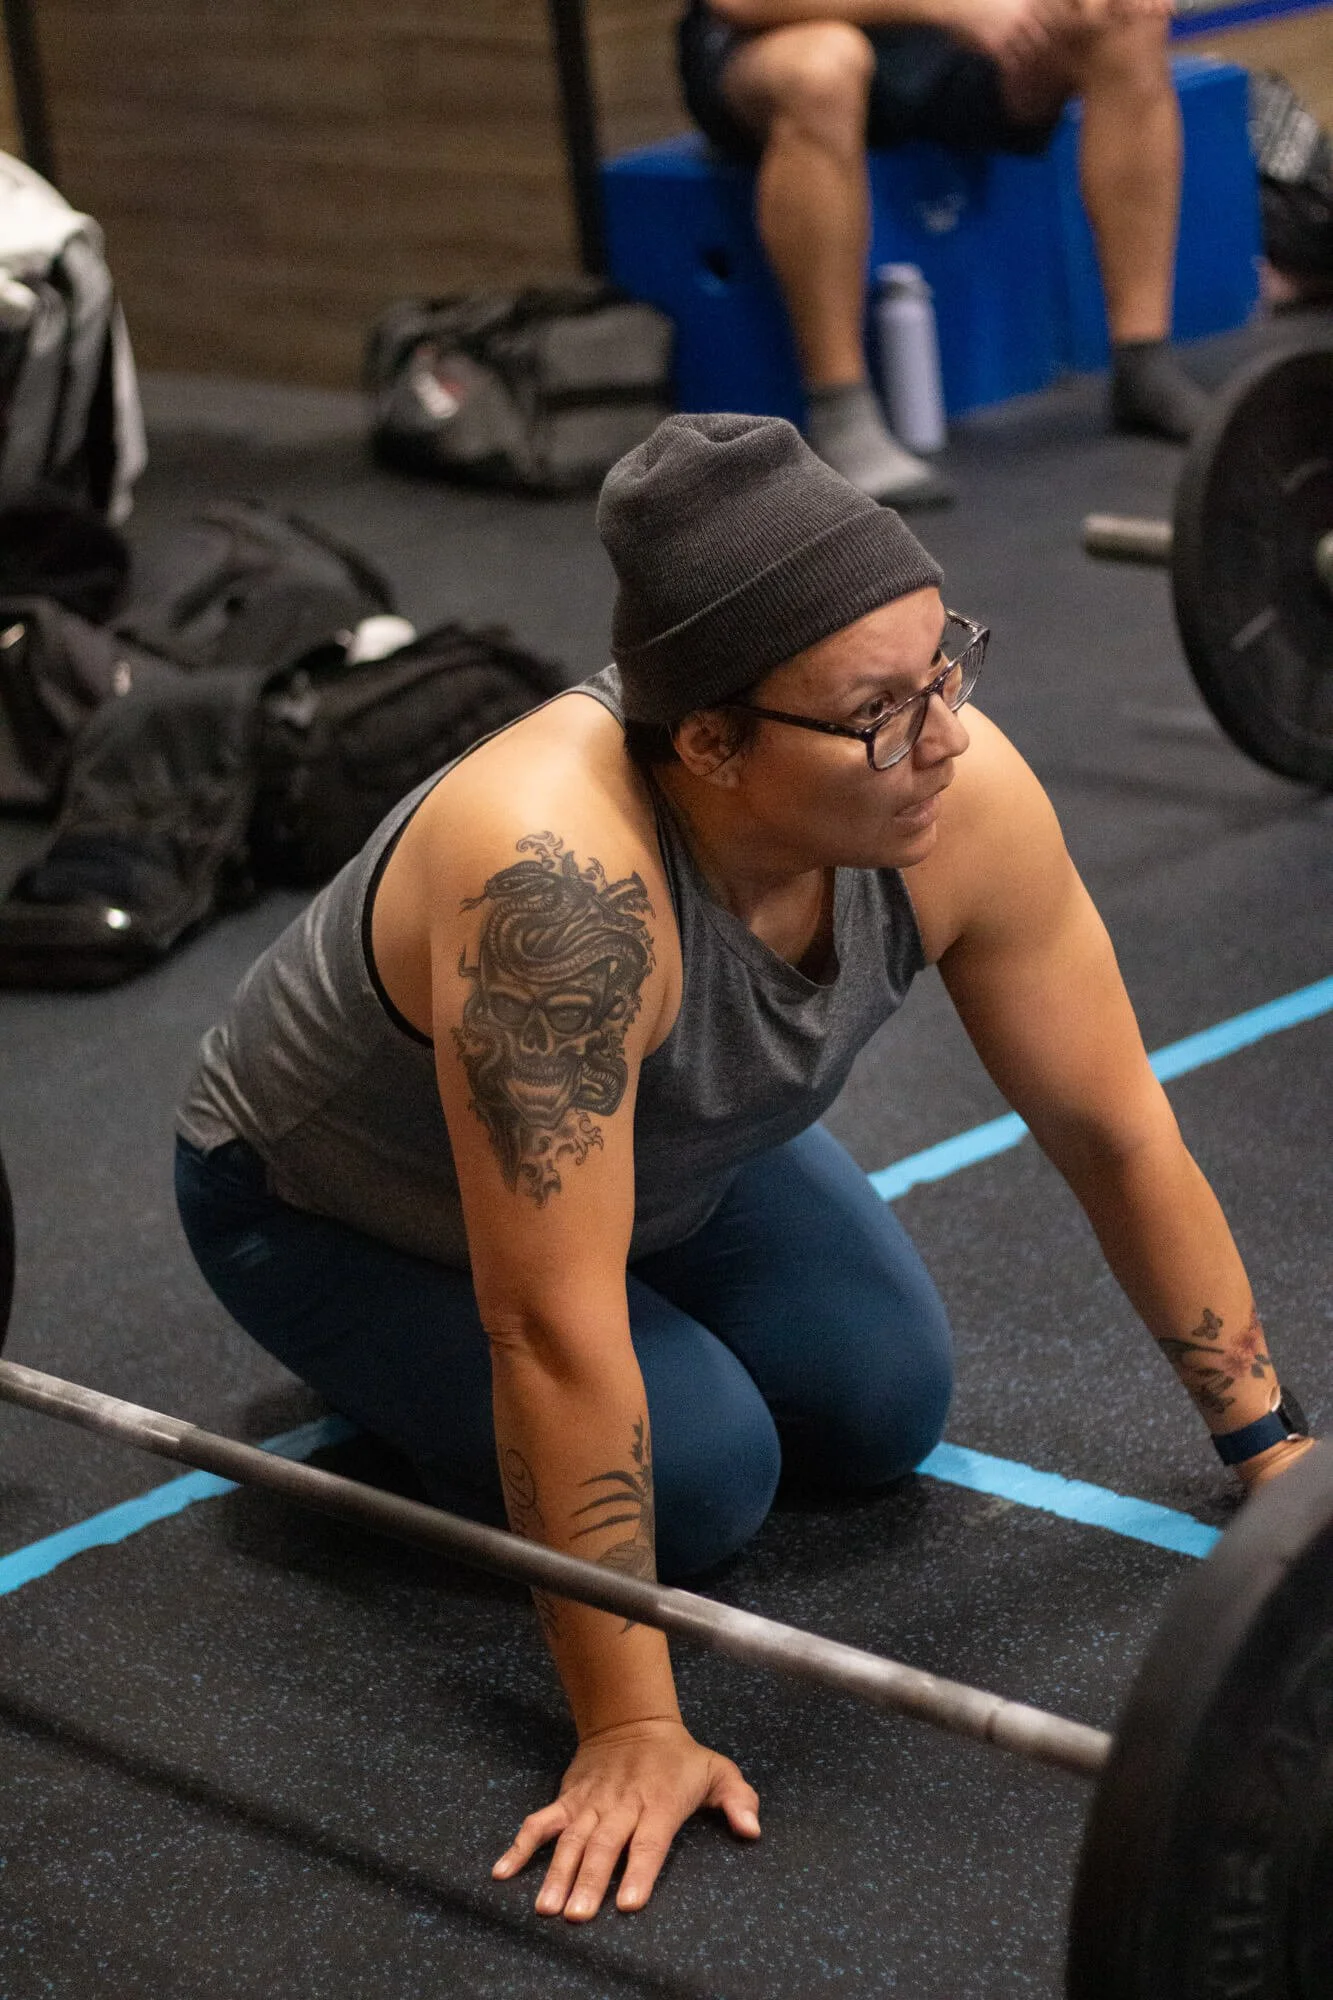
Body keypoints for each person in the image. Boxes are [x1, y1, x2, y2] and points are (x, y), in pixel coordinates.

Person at [174, 412, 1315, 1925]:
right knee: (704, 1482)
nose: (944, 737)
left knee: (880, 1401)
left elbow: (1113, 1129)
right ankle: (402, 1384)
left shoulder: (954, 795)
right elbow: (548, 1327)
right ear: (710, 741)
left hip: (664, 1152)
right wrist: (628, 1723)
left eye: (944, 671)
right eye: (879, 713)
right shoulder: (557, 892)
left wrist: (1275, 1456)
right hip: (330, 1207)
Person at [678, 0, 1213, 506]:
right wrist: (949, 6)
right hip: (772, 40)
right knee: (824, 66)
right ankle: (839, 408)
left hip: (938, 47)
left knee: (1123, 20)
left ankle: (1142, 360)